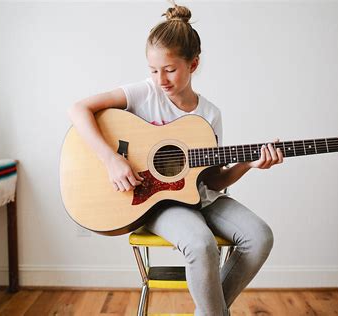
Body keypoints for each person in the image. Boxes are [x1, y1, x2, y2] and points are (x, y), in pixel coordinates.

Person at [68, 1, 283, 315]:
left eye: (169, 70)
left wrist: (248, 163)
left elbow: (214, 180)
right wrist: (111, 159)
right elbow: (78, 109)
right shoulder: (145, 93)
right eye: (154, 70)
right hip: (156, 200)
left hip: (203, 198)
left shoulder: (209, 114)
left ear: (193, 64)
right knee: (200, 244)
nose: (161, 79)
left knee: (260, 236)